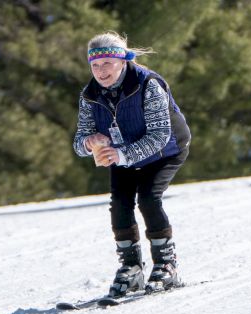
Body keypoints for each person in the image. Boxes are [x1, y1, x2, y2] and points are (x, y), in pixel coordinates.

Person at [73, 31, 191, 297]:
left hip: (166, 151)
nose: (101, 72)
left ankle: (166, 265)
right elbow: (78, 142)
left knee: (148, 198)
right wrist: (90, 142)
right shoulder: (89, 95)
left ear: (122, 61)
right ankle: (131, 268)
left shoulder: (148, 85)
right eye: (95, 66)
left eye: (107, 64)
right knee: (120, 203)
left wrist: (121, 155)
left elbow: (160, 137)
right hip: (122, 153)